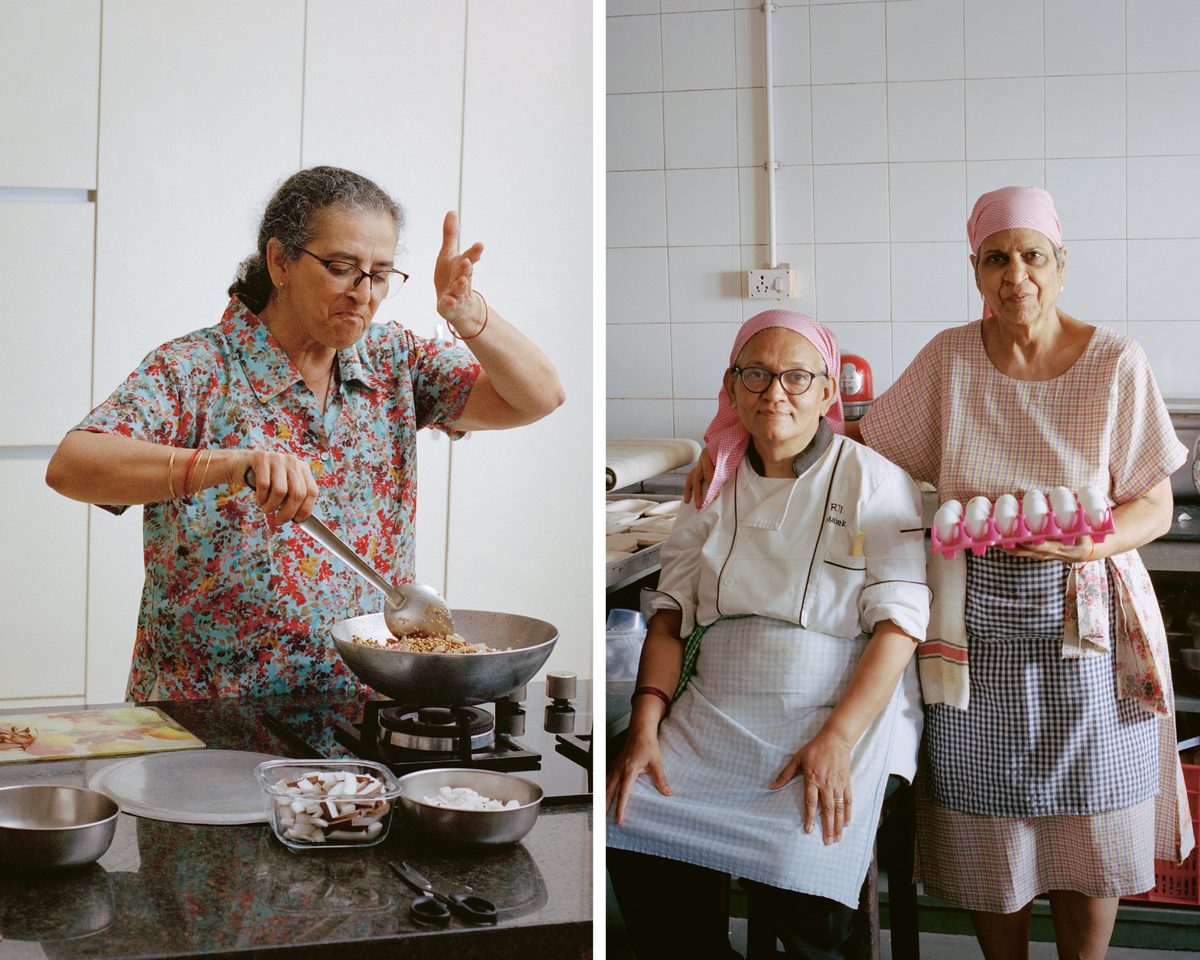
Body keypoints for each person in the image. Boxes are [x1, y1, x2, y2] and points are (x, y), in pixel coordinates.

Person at [685, 187, 1195, 960]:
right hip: (971, 627)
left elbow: (1153, 506)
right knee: (990, 822)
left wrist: (1086, 545)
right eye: (996, 258)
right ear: (975, 268)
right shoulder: (952, 359)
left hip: (1084, 623)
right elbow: (856, 438)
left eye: (1032, 256)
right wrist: (726, 441)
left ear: (1061, 266)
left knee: (1092, 811)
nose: (1014, 274)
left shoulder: (1115, 364)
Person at [45, 166, 563, 700]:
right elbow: (72, 465)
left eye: (380, 273)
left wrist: (471, 315)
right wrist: (224, 464)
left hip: (357, 709)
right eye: (342, 268)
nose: (363, 293)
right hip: (209, 713)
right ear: (280, 262)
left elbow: (539, 396)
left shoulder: (393, 362)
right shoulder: (197, 369)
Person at [607, 310, 929, 960]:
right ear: (731, 388)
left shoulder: (874, 481)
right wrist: (645, 725)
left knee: (804, 872)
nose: (774, 392)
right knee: (628, 816)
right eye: (756, 374)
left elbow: (899, 626)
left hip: (838, 715)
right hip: (715, 712)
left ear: (828, 392)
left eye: (796, 377)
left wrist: (836, 739)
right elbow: (668, 616)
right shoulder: (712, 489)